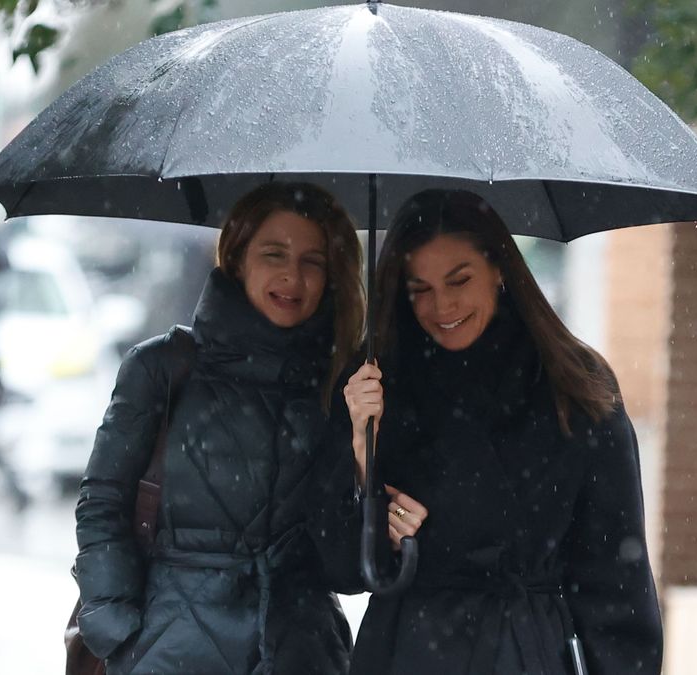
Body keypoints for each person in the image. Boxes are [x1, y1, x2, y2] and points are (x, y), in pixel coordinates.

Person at [338, 189, 663, 674]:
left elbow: (616, 575)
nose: (441, 305)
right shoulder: (373, 386)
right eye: (419, 288)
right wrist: (363, 468)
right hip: (406, 650)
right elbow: (340, 567)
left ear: (499, 269)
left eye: (459, 280)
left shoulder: (574, 384)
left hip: (527, 650)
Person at [73, 182, 365, 675]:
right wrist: (117, 631)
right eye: (274, 253)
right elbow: (102, 503)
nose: (293, 276)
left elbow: (346, 567)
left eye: (313, 261)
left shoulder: (344, 388)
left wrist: (362, 450)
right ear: (237, 257)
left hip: (303, 654)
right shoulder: (163, 368)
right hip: (170, 651)